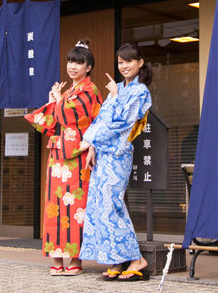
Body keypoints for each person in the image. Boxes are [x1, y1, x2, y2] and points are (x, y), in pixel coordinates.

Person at [24, 39, 102, 276]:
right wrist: (54, 102)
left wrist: (58, 101)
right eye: (70, 61)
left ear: (88, 67)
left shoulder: (91, 90)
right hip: (58, 157)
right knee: (54, 207)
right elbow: (52, 120)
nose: (73, 66)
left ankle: (76, 260)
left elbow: (69, 116)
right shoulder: (68, 91)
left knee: (77, 207)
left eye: (79, 62)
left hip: (78, 156)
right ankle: (57, 258)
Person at [80, 43, 152, 282]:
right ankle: (116, 259)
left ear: (140, 63)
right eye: (120, 62)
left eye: (129, 61)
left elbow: (123, 122)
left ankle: (136, 259)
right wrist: (92, 146)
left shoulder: (140, 91)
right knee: (99, 207)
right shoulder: (119, 87)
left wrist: (114, 96)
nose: (124, 66)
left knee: (113, 205)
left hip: (119, 154)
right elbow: (101, 118)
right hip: (102, 154)